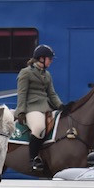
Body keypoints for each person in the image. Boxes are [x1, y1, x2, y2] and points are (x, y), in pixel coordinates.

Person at [15, 44, 64, 172]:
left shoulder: (47, 75)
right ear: (41, 58)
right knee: (39, 128)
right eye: (50, 59)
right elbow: (22, 93)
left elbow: (52, 93)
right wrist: (20, 111)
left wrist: (61, 105)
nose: (51, 61)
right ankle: (33, 159)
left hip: (46, 108)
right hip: (32, 108)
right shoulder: (26, 73)